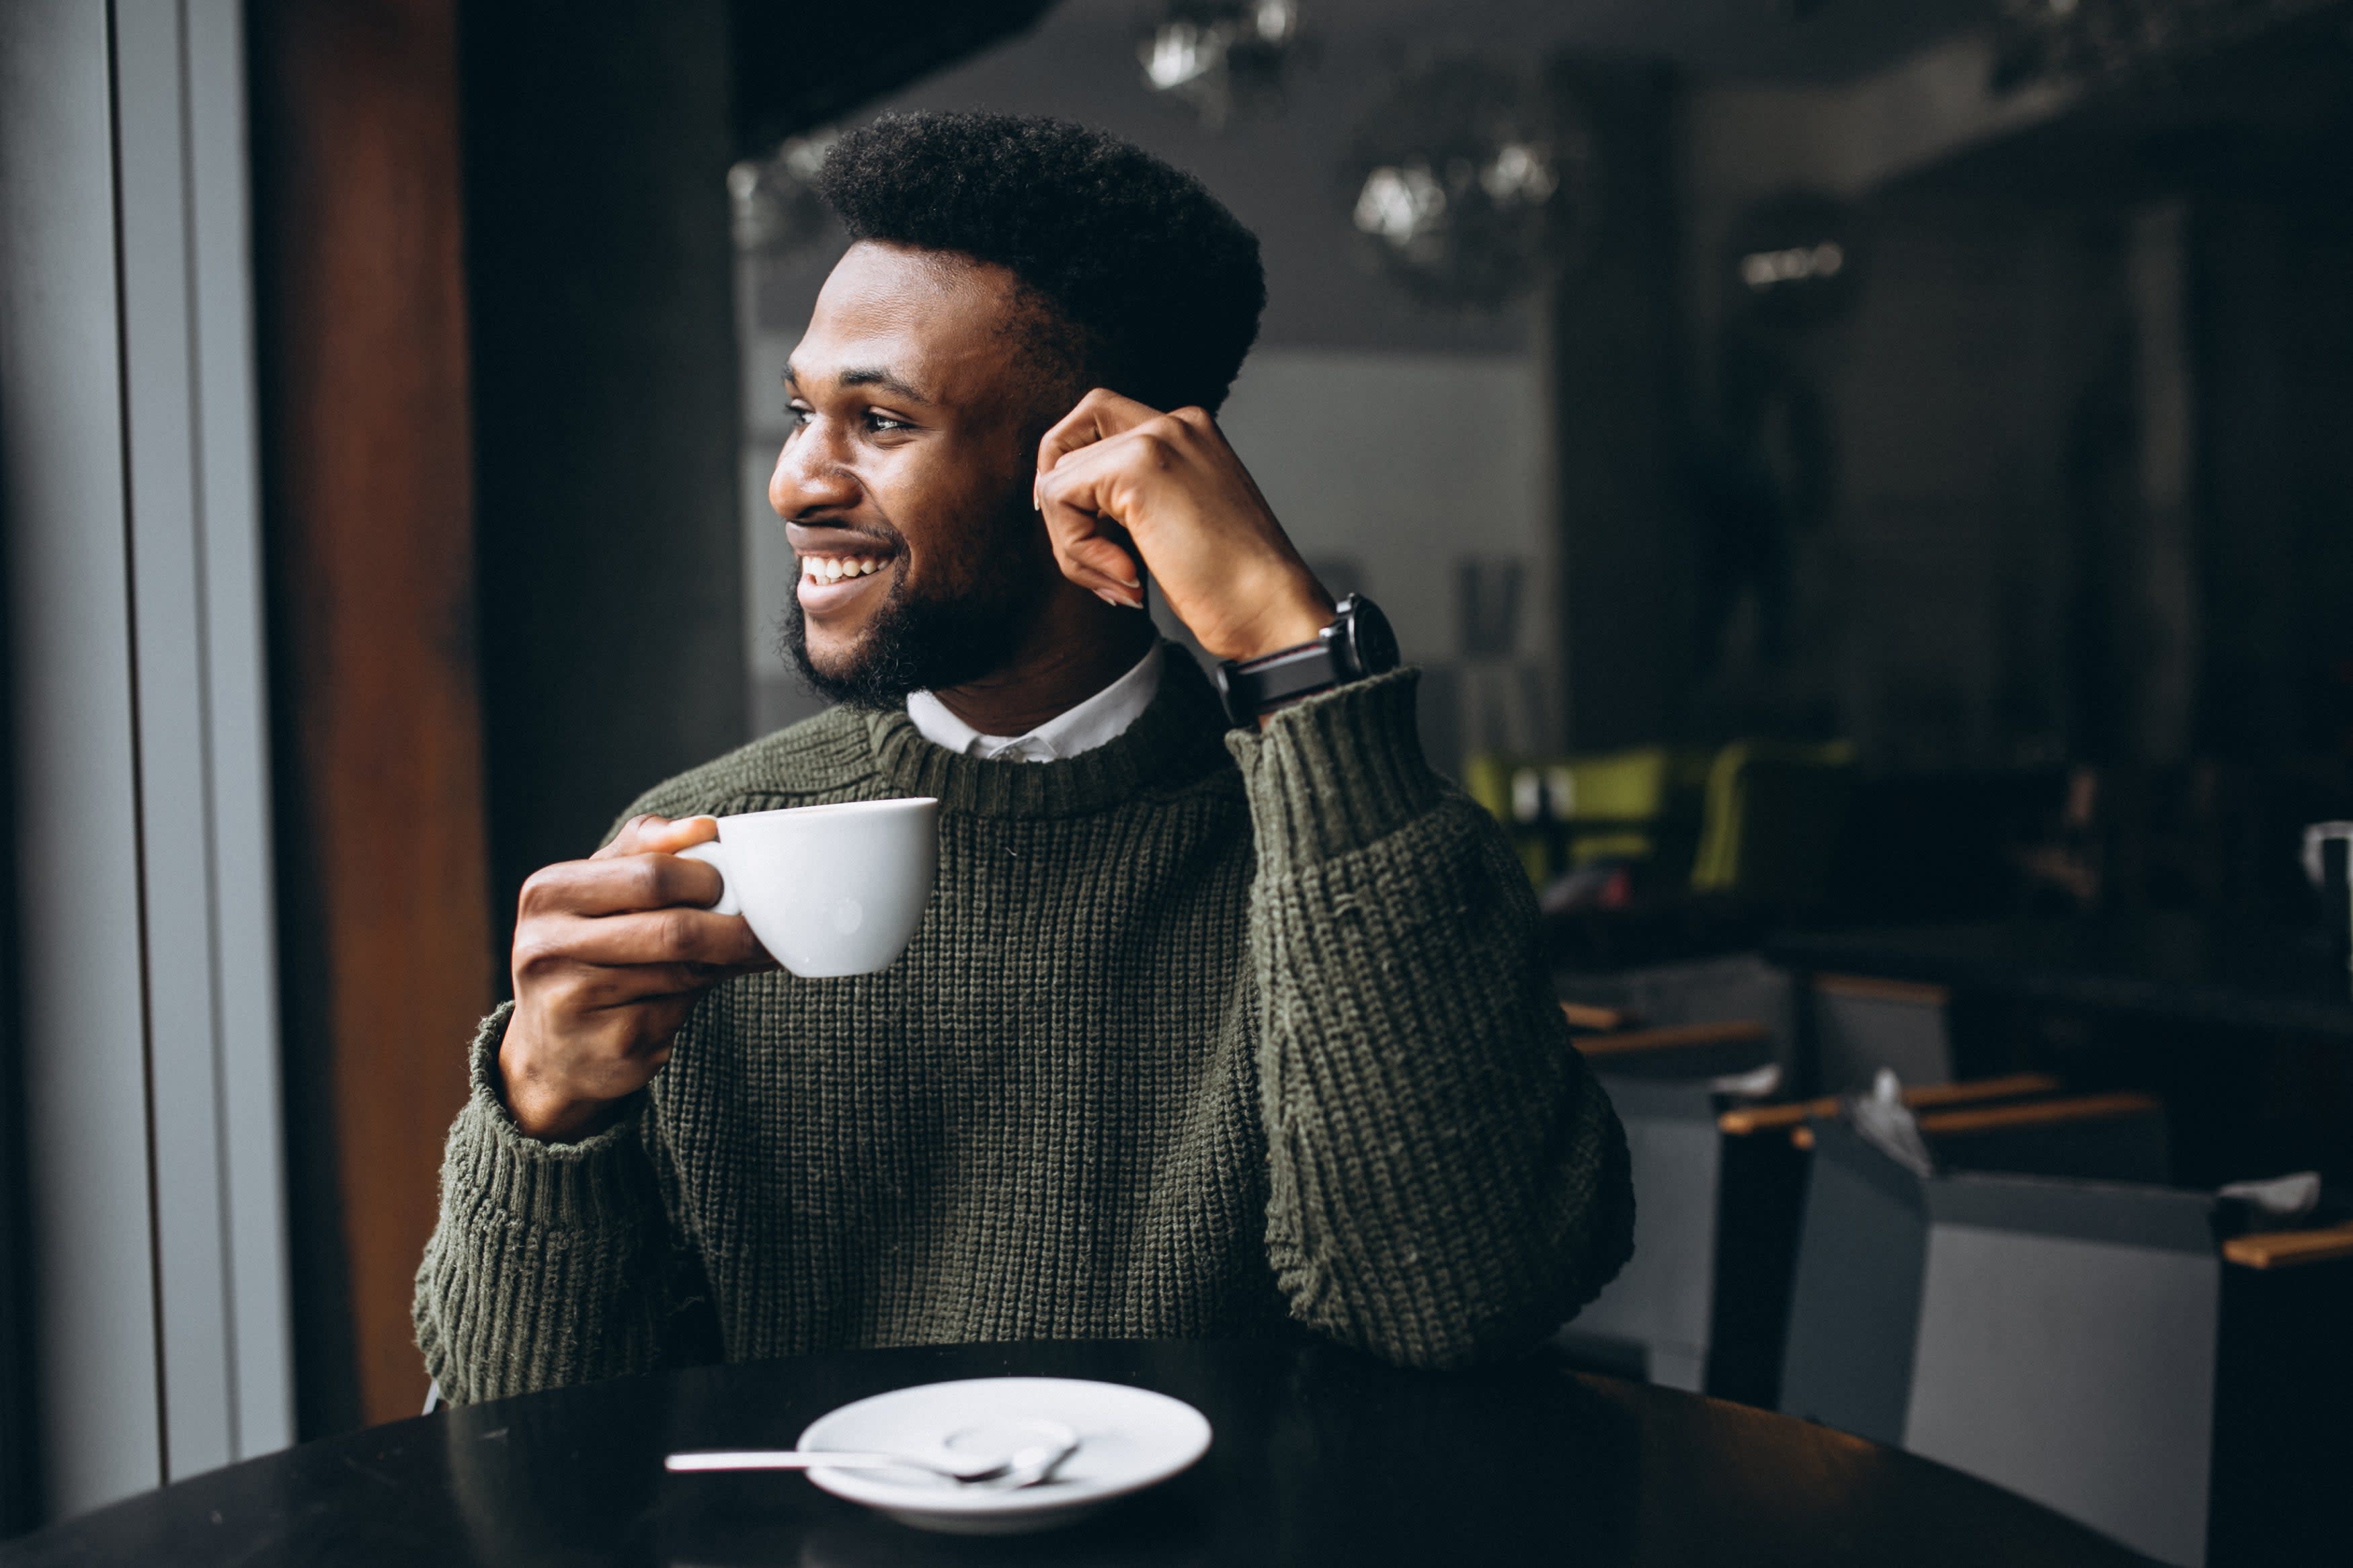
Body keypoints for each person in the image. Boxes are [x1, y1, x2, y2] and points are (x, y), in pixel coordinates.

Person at [415, 112, 1632, 1402]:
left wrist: (1295, 655)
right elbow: (513, 1439)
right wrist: (546, 1106)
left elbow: (1462, 1300)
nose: (792, 482)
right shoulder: (697, 848)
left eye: (878, 421)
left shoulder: (1358, 848)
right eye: (800, 411)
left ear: (1100, 467)